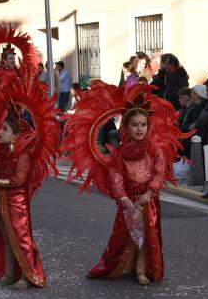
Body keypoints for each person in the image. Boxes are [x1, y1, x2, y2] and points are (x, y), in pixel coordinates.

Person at [62, 83, 183, 286]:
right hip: (128, 201)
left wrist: (150, 193)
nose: (139, 129)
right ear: (125, 127)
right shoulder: (119, 152)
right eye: (134, 125)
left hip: (147, 201)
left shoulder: (155, 149)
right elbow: (116, 176)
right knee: (121, 236)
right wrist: (123, 197)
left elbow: (159, 172)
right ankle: (119, 265)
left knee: (146, 236)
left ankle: (141, 269)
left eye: (143, 124)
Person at [0, 76, 59, 290]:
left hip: (17, 202)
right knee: (5, 237)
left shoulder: (23, 156)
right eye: (0, 129)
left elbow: (18, 180)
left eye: (5, 130)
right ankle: (8, 273)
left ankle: (27, 275)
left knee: (21, 237)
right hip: (1, 201)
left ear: (16, 136)